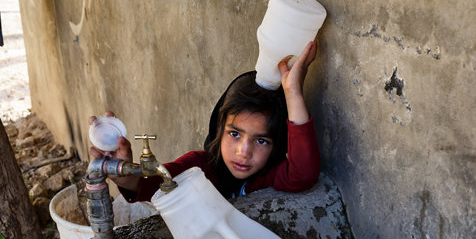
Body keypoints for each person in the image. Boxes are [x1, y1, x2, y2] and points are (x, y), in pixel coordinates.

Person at [89, 40, 320, 200]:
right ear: (219, 129)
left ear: (276, 144)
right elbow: (154, 182)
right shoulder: (200, 168)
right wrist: (122, 173)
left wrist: (293, 93)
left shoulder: (266, 177)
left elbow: (303, 174)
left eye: (261, 141)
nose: (243, 151)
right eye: (234, 134)